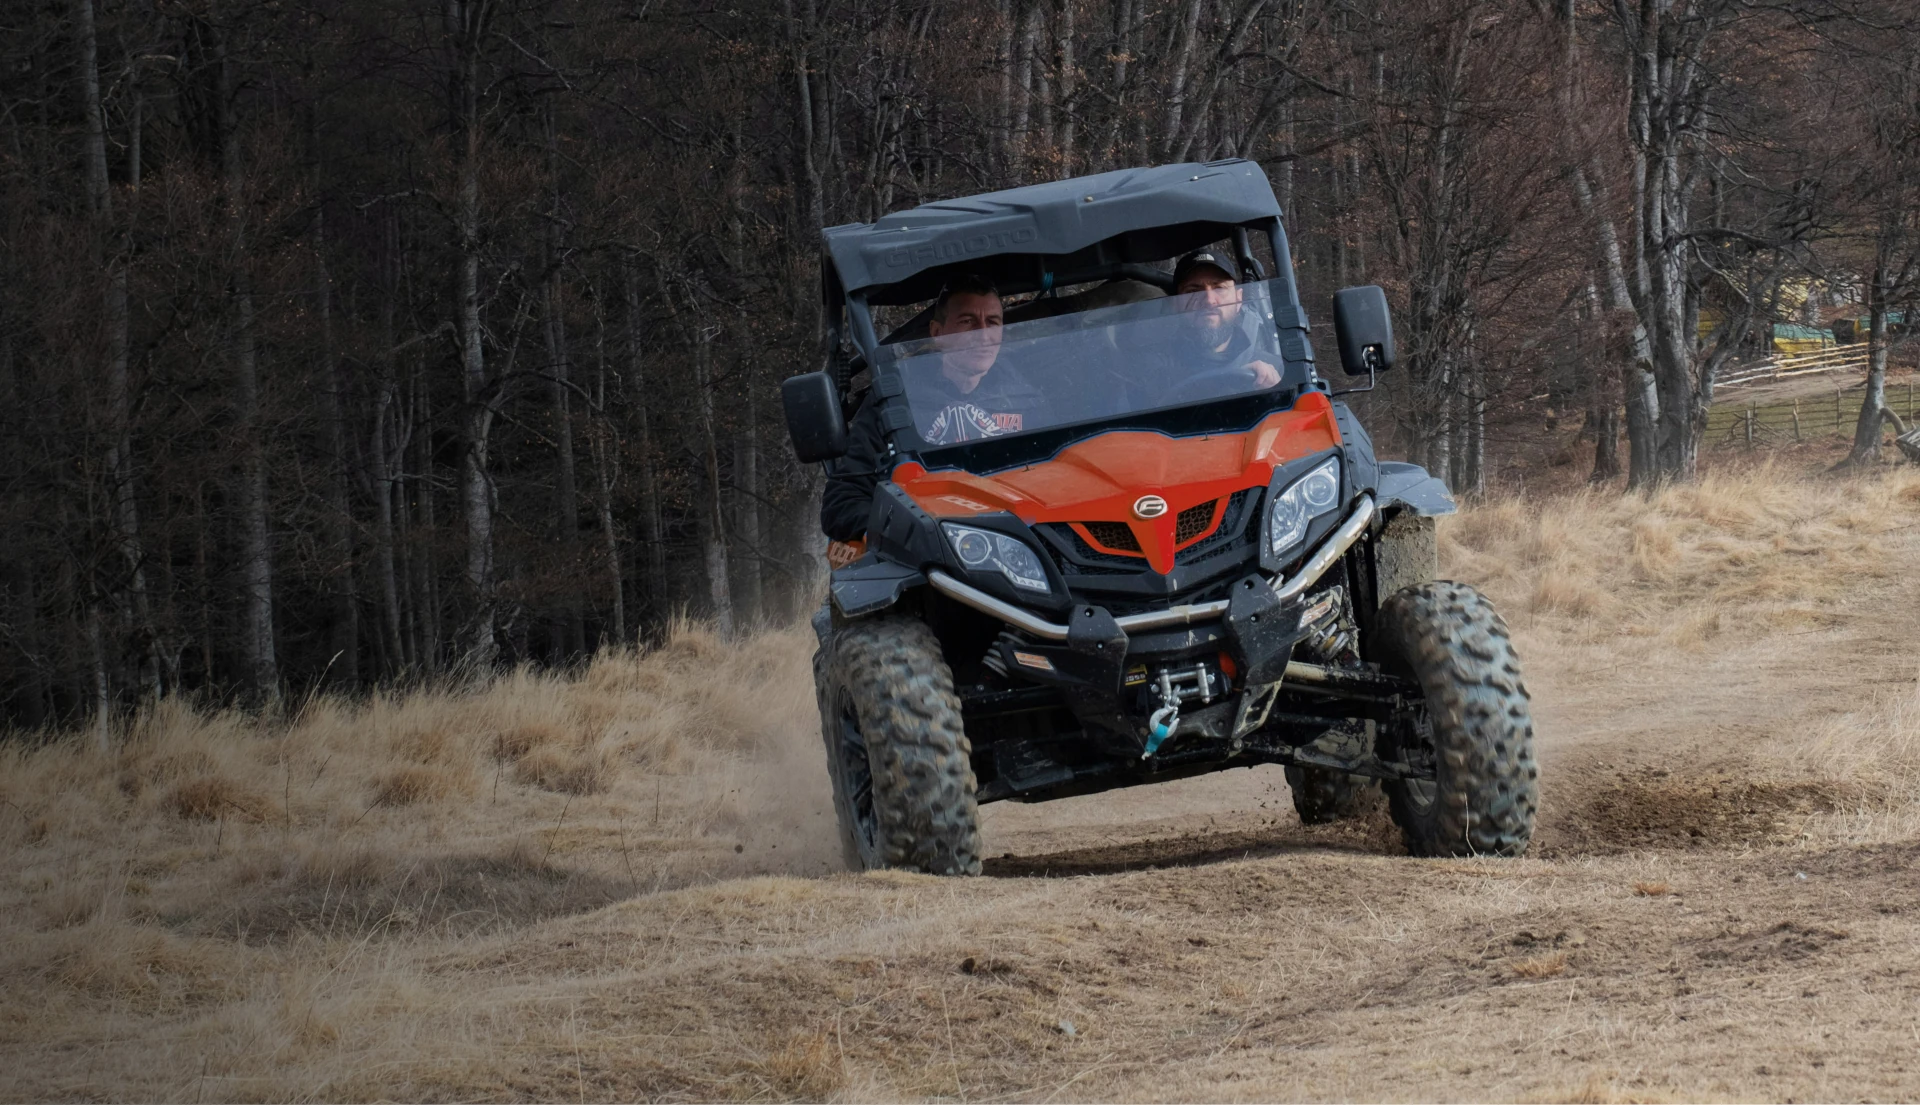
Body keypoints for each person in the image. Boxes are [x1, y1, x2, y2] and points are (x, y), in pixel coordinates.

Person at [820, 275, 1044, 545]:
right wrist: (900, 533)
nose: (982, 334)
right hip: (932, 558)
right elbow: (842, 499)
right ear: (937, 333)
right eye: (967, 321)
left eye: (993, 322)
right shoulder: (895, 401)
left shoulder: (1028, 398)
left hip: (1029, 543)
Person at [1156, 248, 1283, 401]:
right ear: (1176, 304)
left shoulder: (1277, 369)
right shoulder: (1153, 371)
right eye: (1192, 291)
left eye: (1219, 288)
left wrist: (1278, 395)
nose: (1209, 300)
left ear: (1239, 299)